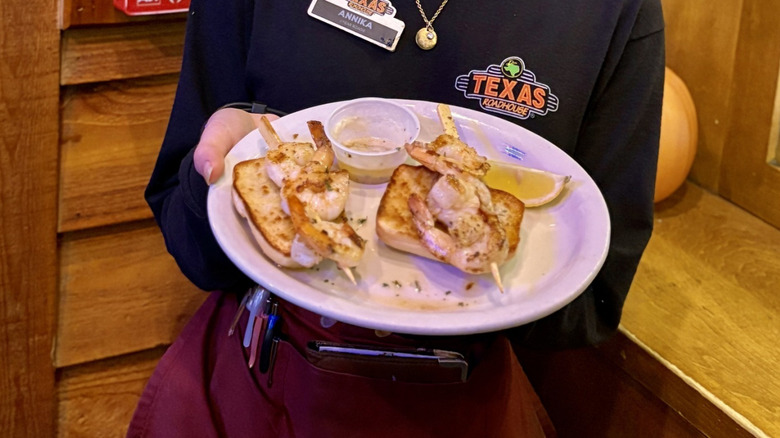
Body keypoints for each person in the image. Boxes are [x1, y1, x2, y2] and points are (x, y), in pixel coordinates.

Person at [127, 0, 665, 436]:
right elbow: (187, 232)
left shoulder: (615, 13)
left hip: (463, 403)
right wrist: (227, 175)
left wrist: (495, 263)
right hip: (257, 377)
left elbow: (595, 304)